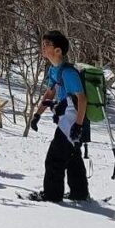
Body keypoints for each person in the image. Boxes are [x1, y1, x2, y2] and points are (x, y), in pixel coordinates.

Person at [27, 31, 90, 202]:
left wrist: (78, 125)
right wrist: (37, 115)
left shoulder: (69, 73)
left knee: (54, 158)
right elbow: (49, 93)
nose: (43, 47)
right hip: (65, 119)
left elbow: (82, 99)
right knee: (72, 157)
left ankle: (52, 195)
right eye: (43, 44)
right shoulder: (54, 70)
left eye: (47, 44)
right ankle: (80, 193)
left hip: (71, 121)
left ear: (58, 51)